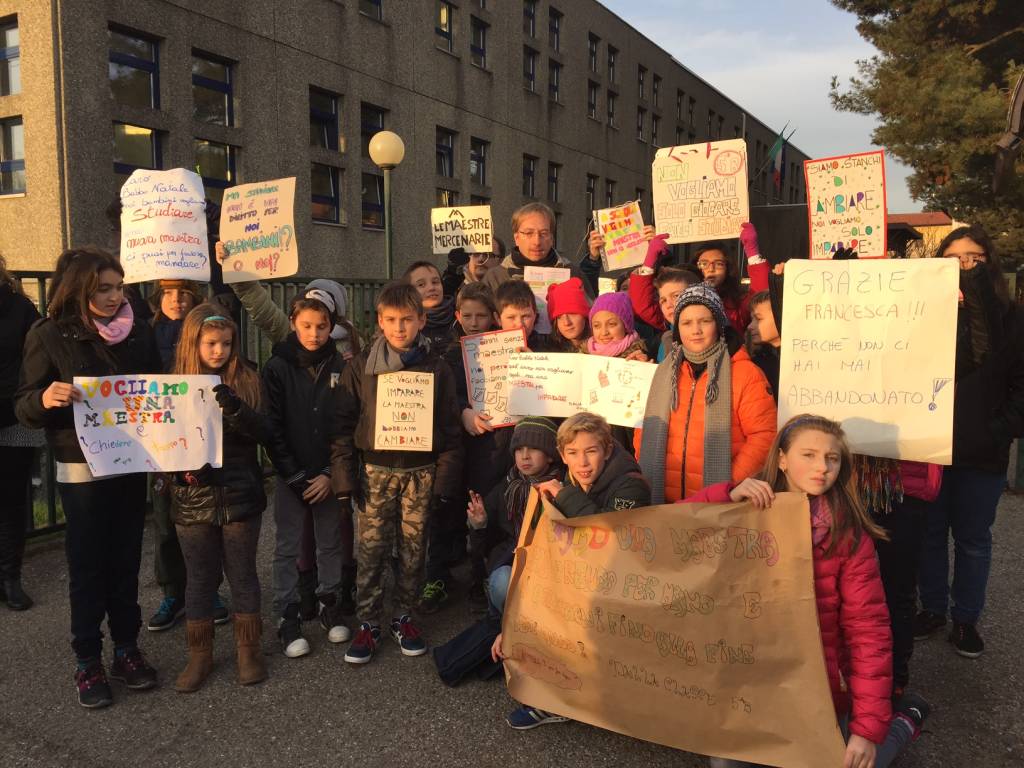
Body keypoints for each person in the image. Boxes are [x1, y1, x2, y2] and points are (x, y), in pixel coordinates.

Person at [686, 414, 930, 768]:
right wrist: (724, 496)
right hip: (753, 683)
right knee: (726, 765)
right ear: (782, 460)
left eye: (832, 458)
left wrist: (867, 729)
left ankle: (904, 718)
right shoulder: (743, 510)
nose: (822, 467)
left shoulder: (848, 538)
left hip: (822, 689)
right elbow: (672, 537)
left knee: (857, 759)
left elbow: (869, 634)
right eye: (809, 455)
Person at [16, 247, 161, 708]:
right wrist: (45, 398)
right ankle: (87, 659)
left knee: (126, 558)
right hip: (81, 465)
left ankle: (126, 648)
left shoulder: (138, 331)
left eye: (119, 287)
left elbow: (157, 392)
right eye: (104, 288)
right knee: (87, 564)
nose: (115, 296)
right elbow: (23, 404)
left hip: (132, 460)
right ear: (80, 287)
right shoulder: (49, 334)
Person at [330, 281, 462, 664]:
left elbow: (451, 429)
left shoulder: (436, 368)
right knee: (371, 550)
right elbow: (343, 424)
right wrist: (344, 477)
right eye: (391, 320)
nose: (399, 328)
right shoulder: (361, 367)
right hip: (375, 472)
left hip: (420, 473)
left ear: (422, 320)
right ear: (380, 321)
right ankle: (368, 621)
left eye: (407, 319)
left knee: (413, 549)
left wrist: (443, 480)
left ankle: (404, 614)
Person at [492, 412, 650, 730]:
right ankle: (548, 674)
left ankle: (561, 693)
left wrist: (565, 495)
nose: (583, 462)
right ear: (562, 455)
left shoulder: (632, 486)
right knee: (503, 583)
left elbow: (606, 540)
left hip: (620, 590)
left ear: (607, 450)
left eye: (591, 451)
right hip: (577, 583)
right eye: (573, 453)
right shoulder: (566, 482)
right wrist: (513, 622)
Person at [915, 224, 1024, 658]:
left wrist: (997, 430)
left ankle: (965, 620)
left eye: (974, 259)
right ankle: (934, 609)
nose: (963, 267)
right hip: (929, 447)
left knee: (973, 539)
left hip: (982, 453)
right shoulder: (923, 313)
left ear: (989, 263)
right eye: (953, 258)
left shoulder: (1011, 318)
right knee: (929, 534)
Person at [170, 305, 269, 692]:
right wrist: (178, 471)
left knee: (243, 573)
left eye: (226, 343)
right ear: (193, 342)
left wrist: (236, 410)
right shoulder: (175, 383)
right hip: (193, 496)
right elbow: (159, 442)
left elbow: (264, 431)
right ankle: (200, 655)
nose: (219, 351)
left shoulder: (246, 378)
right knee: (199, 578)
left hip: (240, 492)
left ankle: (249, 650)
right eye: (211, 343)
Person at [264, 288, 353, 657]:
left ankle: (328, 603)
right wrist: (295, 475)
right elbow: (273, 428)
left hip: (326, 473)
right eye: (306, 326)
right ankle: (287, 615)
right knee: (286, 546)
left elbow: (345, 423)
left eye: (321, 326)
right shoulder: (277, 367)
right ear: (292, 324)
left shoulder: (340, 366)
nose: (314, 333)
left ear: (331, 326)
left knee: (329, 541)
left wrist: (331, 474)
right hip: (291, 475)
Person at [636, 284, 777, 503]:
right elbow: (644, 428)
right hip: (664, 506)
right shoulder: (663, 372)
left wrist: (727, 486)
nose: (695, 330)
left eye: (705, 321)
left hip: (723, 504)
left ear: (719, 325)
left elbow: (764, 436)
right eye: (686, 323)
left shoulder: (745, 373)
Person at [145, 279, 230, 631]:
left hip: (203, 440)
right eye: (167, 292)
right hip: (163, 442)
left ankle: (207, 590)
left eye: (182, 292)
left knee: (207, 523)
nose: (176, 299)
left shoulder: (211, 326)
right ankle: (172, 593)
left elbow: (227, 305)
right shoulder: (142, 333)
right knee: (165, 523)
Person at [423, 282, 501, 614]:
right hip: (453, 445)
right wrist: (462, 412)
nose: (473, 321)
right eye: (467, 315)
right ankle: (437, 576)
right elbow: (440, 396)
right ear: (457, 315)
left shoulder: (504, 348)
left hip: (490, 444)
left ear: (492, 317)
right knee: (446, 507)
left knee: (483, 508)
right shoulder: (446, 351)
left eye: (481, 316)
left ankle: (480, 577)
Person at [465, 417, 562, 615]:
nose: (525, 456)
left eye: (534, 449)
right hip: (511, 561)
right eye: (519, 449)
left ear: (550, 455)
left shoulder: (562, 488)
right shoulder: (506, 487)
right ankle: (508, 627)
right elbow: (483, 547)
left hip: (552, 566)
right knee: (501, 581)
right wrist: (480, 525)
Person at [0, 256, 41, 611]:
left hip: (15, 415)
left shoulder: (20, 306)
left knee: (14, 501)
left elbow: (37, 356)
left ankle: (11, 578)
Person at [482, 203, 593, 297]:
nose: (537, 242)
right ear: (516, 238)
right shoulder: (495, 277)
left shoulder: (572, 274)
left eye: (544, 233)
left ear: (552, 238)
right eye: (529, 233)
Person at [686, 223, 770, 331]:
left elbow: (761, 299)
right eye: (704, 263)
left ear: (727, 269)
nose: (711, 269)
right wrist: (656, 264)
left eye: (719, 264)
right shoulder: (683, 295)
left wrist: (753, 254)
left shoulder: (737, 302)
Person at [404, 260, 456, 350]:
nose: (431, 288)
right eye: (421, 285)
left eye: (435, 282)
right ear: (409, 291)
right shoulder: (402, 324)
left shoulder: (460, 318)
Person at [586, 291, 648, 361]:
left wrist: (643, 366)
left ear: (626, 327)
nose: (604, 332)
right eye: (597, 326)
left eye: (611, 324)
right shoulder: (582, 355)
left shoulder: (637, 356)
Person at [494, 280, 550, 353]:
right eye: (511, 317)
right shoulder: (483, 349)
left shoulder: (550, 351)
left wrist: (535, 360)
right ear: (498, 319)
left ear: (535, 315)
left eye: (526, 316)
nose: (519, 324)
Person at [441, 237, 506, 297]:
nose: (481, 259)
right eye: (476, 253)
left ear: (501, 260)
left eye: (489, 255)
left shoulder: (508, 292)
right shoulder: (453, 289)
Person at [747, 290, 780, 399]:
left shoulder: (802, 362)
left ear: (780, 317)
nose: (750, 326)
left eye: (759, 319)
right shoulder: (758, 364)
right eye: (752, 319)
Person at [545, 278, 591, 353]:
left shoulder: (603, 348)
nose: (566, 322)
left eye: (572, 313)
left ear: (585, 315)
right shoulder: (547, 352)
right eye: (559, 317)